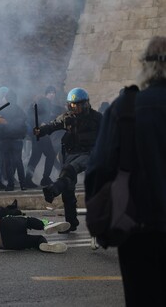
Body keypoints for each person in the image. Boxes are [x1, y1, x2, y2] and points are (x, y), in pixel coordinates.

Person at [85, 36, 166, 306]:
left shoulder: (126, 107)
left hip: (137, 228)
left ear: (146, 66)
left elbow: (98, 169)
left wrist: (103, 220)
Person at [35, 87, 102, 232]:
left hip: (89, 154)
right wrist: (41, 131)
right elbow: (53, 125)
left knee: (69, 170)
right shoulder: (67, 117)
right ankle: (71, 222)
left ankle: (53, 190)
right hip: (71, 153)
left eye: (78, 105)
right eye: (72, 105)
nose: (75, 108)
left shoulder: (97, 118)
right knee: (67, 188)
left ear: (85, 104)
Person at [0, 192, 69, 253]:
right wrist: (18, 213)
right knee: (28, 221)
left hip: (5, 243)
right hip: (4, 227)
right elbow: (8, 212)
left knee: (34, 240)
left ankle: (43, 244)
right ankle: (45, 225)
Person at [24, 94, 58, 188]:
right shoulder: (45, 103)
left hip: (36, 135)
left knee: (35, 157)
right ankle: (45, 178)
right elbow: (44, 118)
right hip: (41, 135)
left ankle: (28, 178)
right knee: (50, 155)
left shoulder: (34, 106)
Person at [0, 87, 28, 191]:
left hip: (6, 140)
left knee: (8, 163)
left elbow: (0, 125)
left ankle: (10, 184)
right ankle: (23, 184)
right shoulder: (19, 110)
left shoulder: (4, 109)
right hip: (17, 140)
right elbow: (24, 123)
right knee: (18, 162)